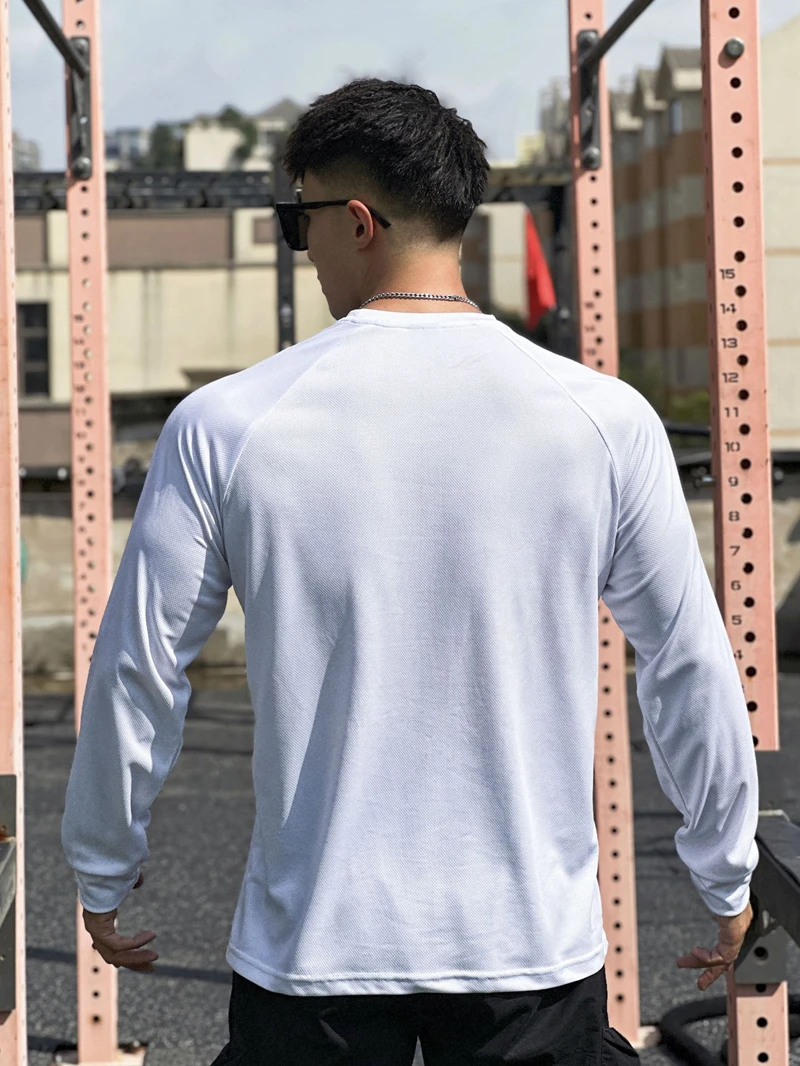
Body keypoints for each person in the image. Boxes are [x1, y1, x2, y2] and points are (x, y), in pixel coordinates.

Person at [61, 78, 758, 1066]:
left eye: (298, 221)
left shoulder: (229, 422)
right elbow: (685, 662)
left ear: (355, 221)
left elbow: (139, 668)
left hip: (313, 952)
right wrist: (726, 876)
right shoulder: (601, 420)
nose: (302, 250)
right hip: (526, 947)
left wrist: (103, 863)